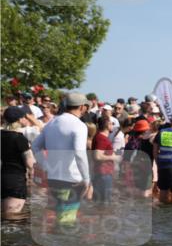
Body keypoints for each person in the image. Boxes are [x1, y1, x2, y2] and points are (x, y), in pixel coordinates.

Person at [31, 92, 91, 226]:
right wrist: (87, 179)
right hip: (72, 180)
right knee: (66, 220)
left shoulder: (52, 123)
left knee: (58, 215)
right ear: (82, 107)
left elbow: (35, 146)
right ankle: (63, 245)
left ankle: (53, 244)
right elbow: (80, 154)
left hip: (53, 177)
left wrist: (46, 165)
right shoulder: (79, 125)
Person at [2, 106, 36, 219]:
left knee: (3, 216)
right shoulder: (20, 139)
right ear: (20, 120)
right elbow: (30, 163)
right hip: (15, 181)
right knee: (12, 217)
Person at [90, 115, 118, 204]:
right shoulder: (101, 138)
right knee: (104, 203)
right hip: (103, 174)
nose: (113, 126)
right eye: (112, 123)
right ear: (108, 125)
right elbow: (98, 156)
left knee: (100, 202)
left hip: (102, 173)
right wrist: (114, 157)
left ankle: (100, 217)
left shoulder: (100, 137)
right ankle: (103, 217)